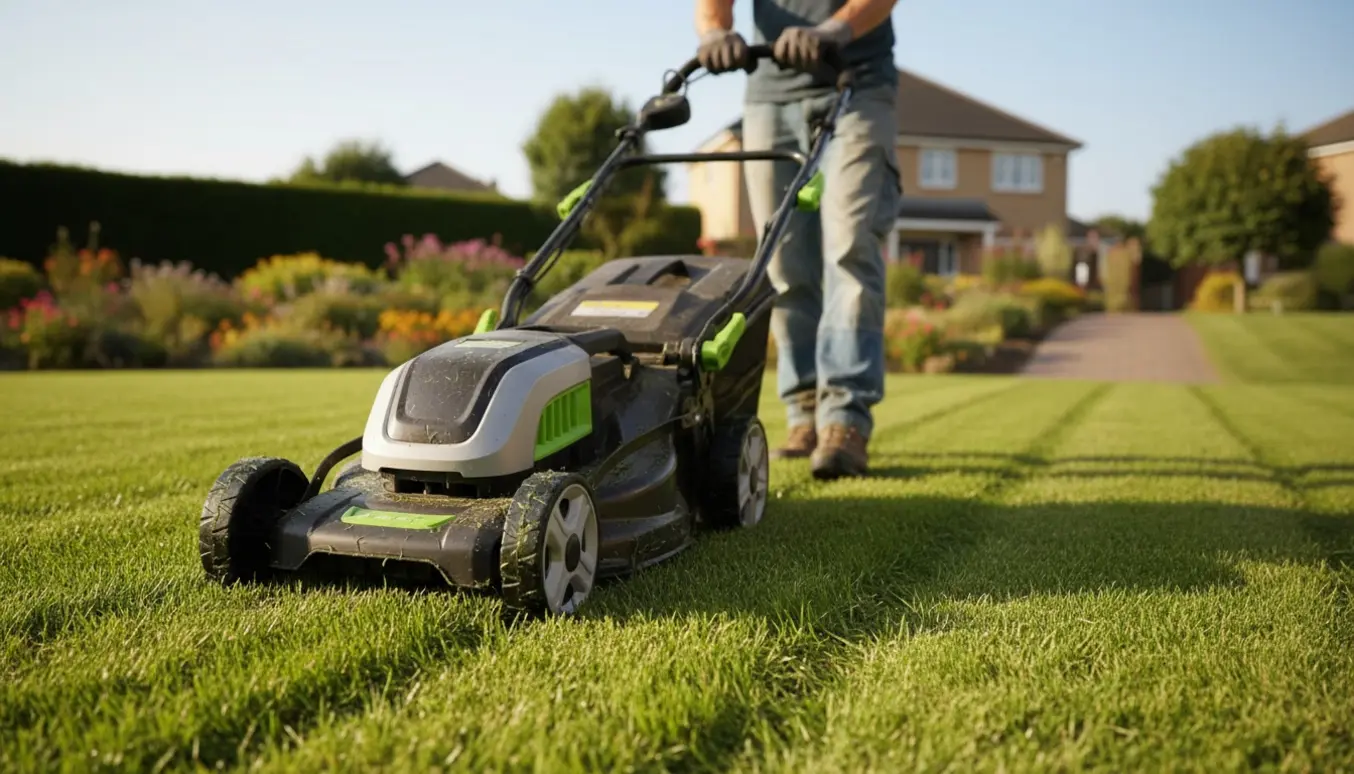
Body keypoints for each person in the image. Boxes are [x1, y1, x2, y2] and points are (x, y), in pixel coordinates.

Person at [695, 0, 900, 479]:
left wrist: (834, 29)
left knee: (851, 244)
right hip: (770, 93)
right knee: (782, 261)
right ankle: (804, 411)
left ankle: (845, 420)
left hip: (856, 81)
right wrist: (713, 34)